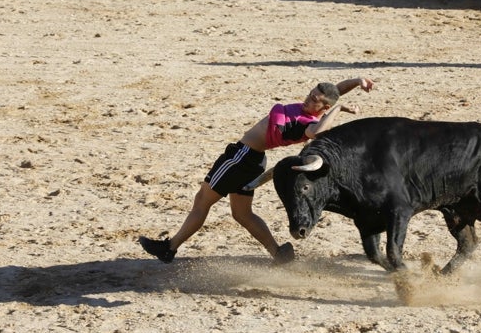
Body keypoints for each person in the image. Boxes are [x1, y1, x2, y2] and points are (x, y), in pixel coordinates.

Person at [139, 77, 374, 264]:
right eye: (311, 94)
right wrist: (357, 80)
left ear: (324, 108)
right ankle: (278, 253)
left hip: (241, 158)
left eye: (315, 101)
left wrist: (340, 109)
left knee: (202, 201)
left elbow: (316, 132)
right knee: (242, 214)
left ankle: (169, 248)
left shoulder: (309, 123)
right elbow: (334, 91)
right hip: (254, 160)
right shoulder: (312, 111)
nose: (308, 100)